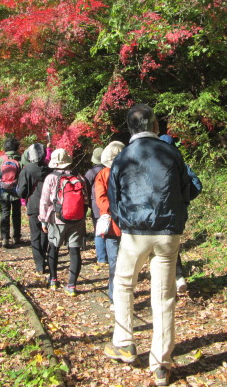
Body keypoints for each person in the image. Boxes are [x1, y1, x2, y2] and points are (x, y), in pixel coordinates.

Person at [105, 104, 191, 387]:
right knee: (164, 295)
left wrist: (125, 221)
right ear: (155, 126)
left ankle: (125, 342)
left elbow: (114, 199)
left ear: (130, 128)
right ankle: (161, 364)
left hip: (134, 232)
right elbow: (187, 190)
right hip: (169, 232)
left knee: (124, 284)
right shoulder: (172, 152)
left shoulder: (122, 157)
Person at [38, 148, 89, 297]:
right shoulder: (79, 177)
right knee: (74, 251)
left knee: (53, 248)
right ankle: (72, 285)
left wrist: (43, 220)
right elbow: (85, 200)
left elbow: (44, 201)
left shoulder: (51, 178)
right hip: (77, 219)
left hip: (57, 219)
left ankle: (53, 279)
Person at [159, 134, 203, 294]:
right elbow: (197, 185)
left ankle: (167, 284)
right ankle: (178, 277)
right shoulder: (180, 163)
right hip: (178, 212)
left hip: (159, 212)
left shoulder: (156, 163)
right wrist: (185, 200)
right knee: (172, 244)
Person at [94, 141, 125, 308]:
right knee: (128, 263)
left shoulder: (102, 174)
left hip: (112, 225)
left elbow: (101, 200)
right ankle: (123, 296)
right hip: (130, 225)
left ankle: (115, 297)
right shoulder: (131, 173)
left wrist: (113, 212)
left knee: (114, 263)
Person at [17, 143, 52, 275]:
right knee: (45, 233)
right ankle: (43, 256)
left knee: (35, 234)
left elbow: (21, 191)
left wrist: (25, 197)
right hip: (48, 206)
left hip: (33, 205)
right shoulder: (49, 168)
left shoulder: (27, 170)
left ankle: (39, 263)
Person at [0, 137, 22, 248]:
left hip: (3, 191)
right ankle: (16, 237)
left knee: (4, 213)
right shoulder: (20, 159)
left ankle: (5, 237)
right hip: (16, 191)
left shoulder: (1, 159)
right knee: (16, 214)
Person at [85, 147, 107, 265]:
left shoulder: (90, 173)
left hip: (95, 205)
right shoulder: (110, 170)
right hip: (108, 204)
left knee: (98, 231)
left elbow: (86, 190)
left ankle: (101, 258)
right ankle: (110, 256)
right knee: (110, 231)